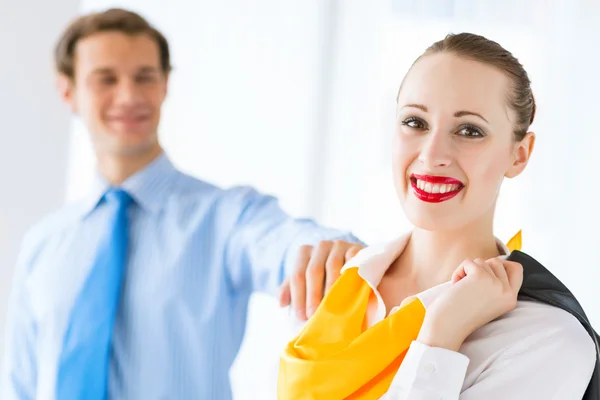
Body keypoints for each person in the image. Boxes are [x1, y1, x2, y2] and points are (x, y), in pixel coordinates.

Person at [0, 8, 364, 400]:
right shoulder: (42, 244)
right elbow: (22, 384)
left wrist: (332, 251)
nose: (129, 95)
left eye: (145, 77)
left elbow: (285, 241)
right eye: (106, 78)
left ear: (164, 85)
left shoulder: (227, 217)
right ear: (68, 92)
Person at [278, 33, 597, 399]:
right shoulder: (334, 285)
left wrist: (439, 340)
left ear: (519, 155)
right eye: (415, 122)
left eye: (469, 130)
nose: (432, 155)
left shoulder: (547, 341)